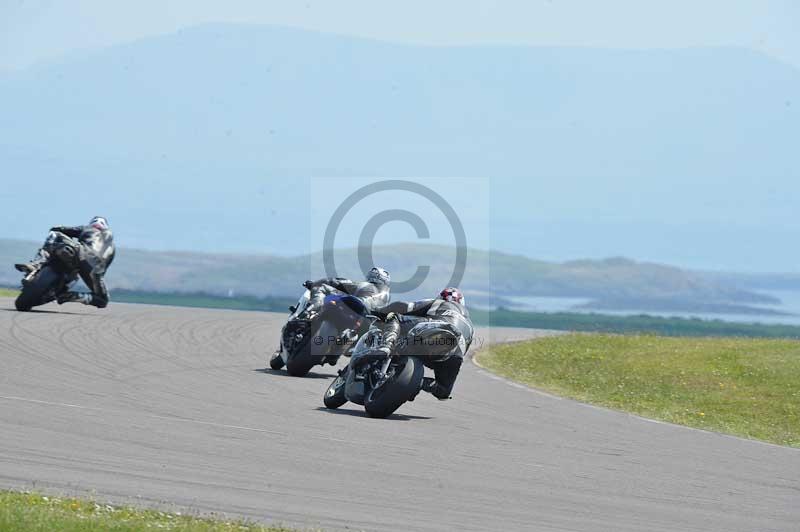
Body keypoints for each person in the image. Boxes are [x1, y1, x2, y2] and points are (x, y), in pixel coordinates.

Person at [367, 287, 474, 400]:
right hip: (453, 353)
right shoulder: (470, 325)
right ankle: (419, 383)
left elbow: (404, 307)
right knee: (443, 392)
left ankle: (386, 346)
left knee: (394, 317)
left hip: (435, 329)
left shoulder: (439, 303)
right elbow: (464, 351)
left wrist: (378, 311)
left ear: (442, 297)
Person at [15, 216, 115, 308]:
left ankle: (36, 264)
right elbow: (104, 268)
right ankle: (70, 296)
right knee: (103, 300)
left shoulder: (88, 228)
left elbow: (58, 229)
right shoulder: (112, 247)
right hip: (95, 271)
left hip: (80, 252)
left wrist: (58, 230)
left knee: (55, 234)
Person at [302, 266, 391, 313]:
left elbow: (336, 282)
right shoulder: (386, 298)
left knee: (322, 288)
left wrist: (314, 284)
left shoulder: (365, 285)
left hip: (353, 308)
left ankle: (310, 310)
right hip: (367, 325)